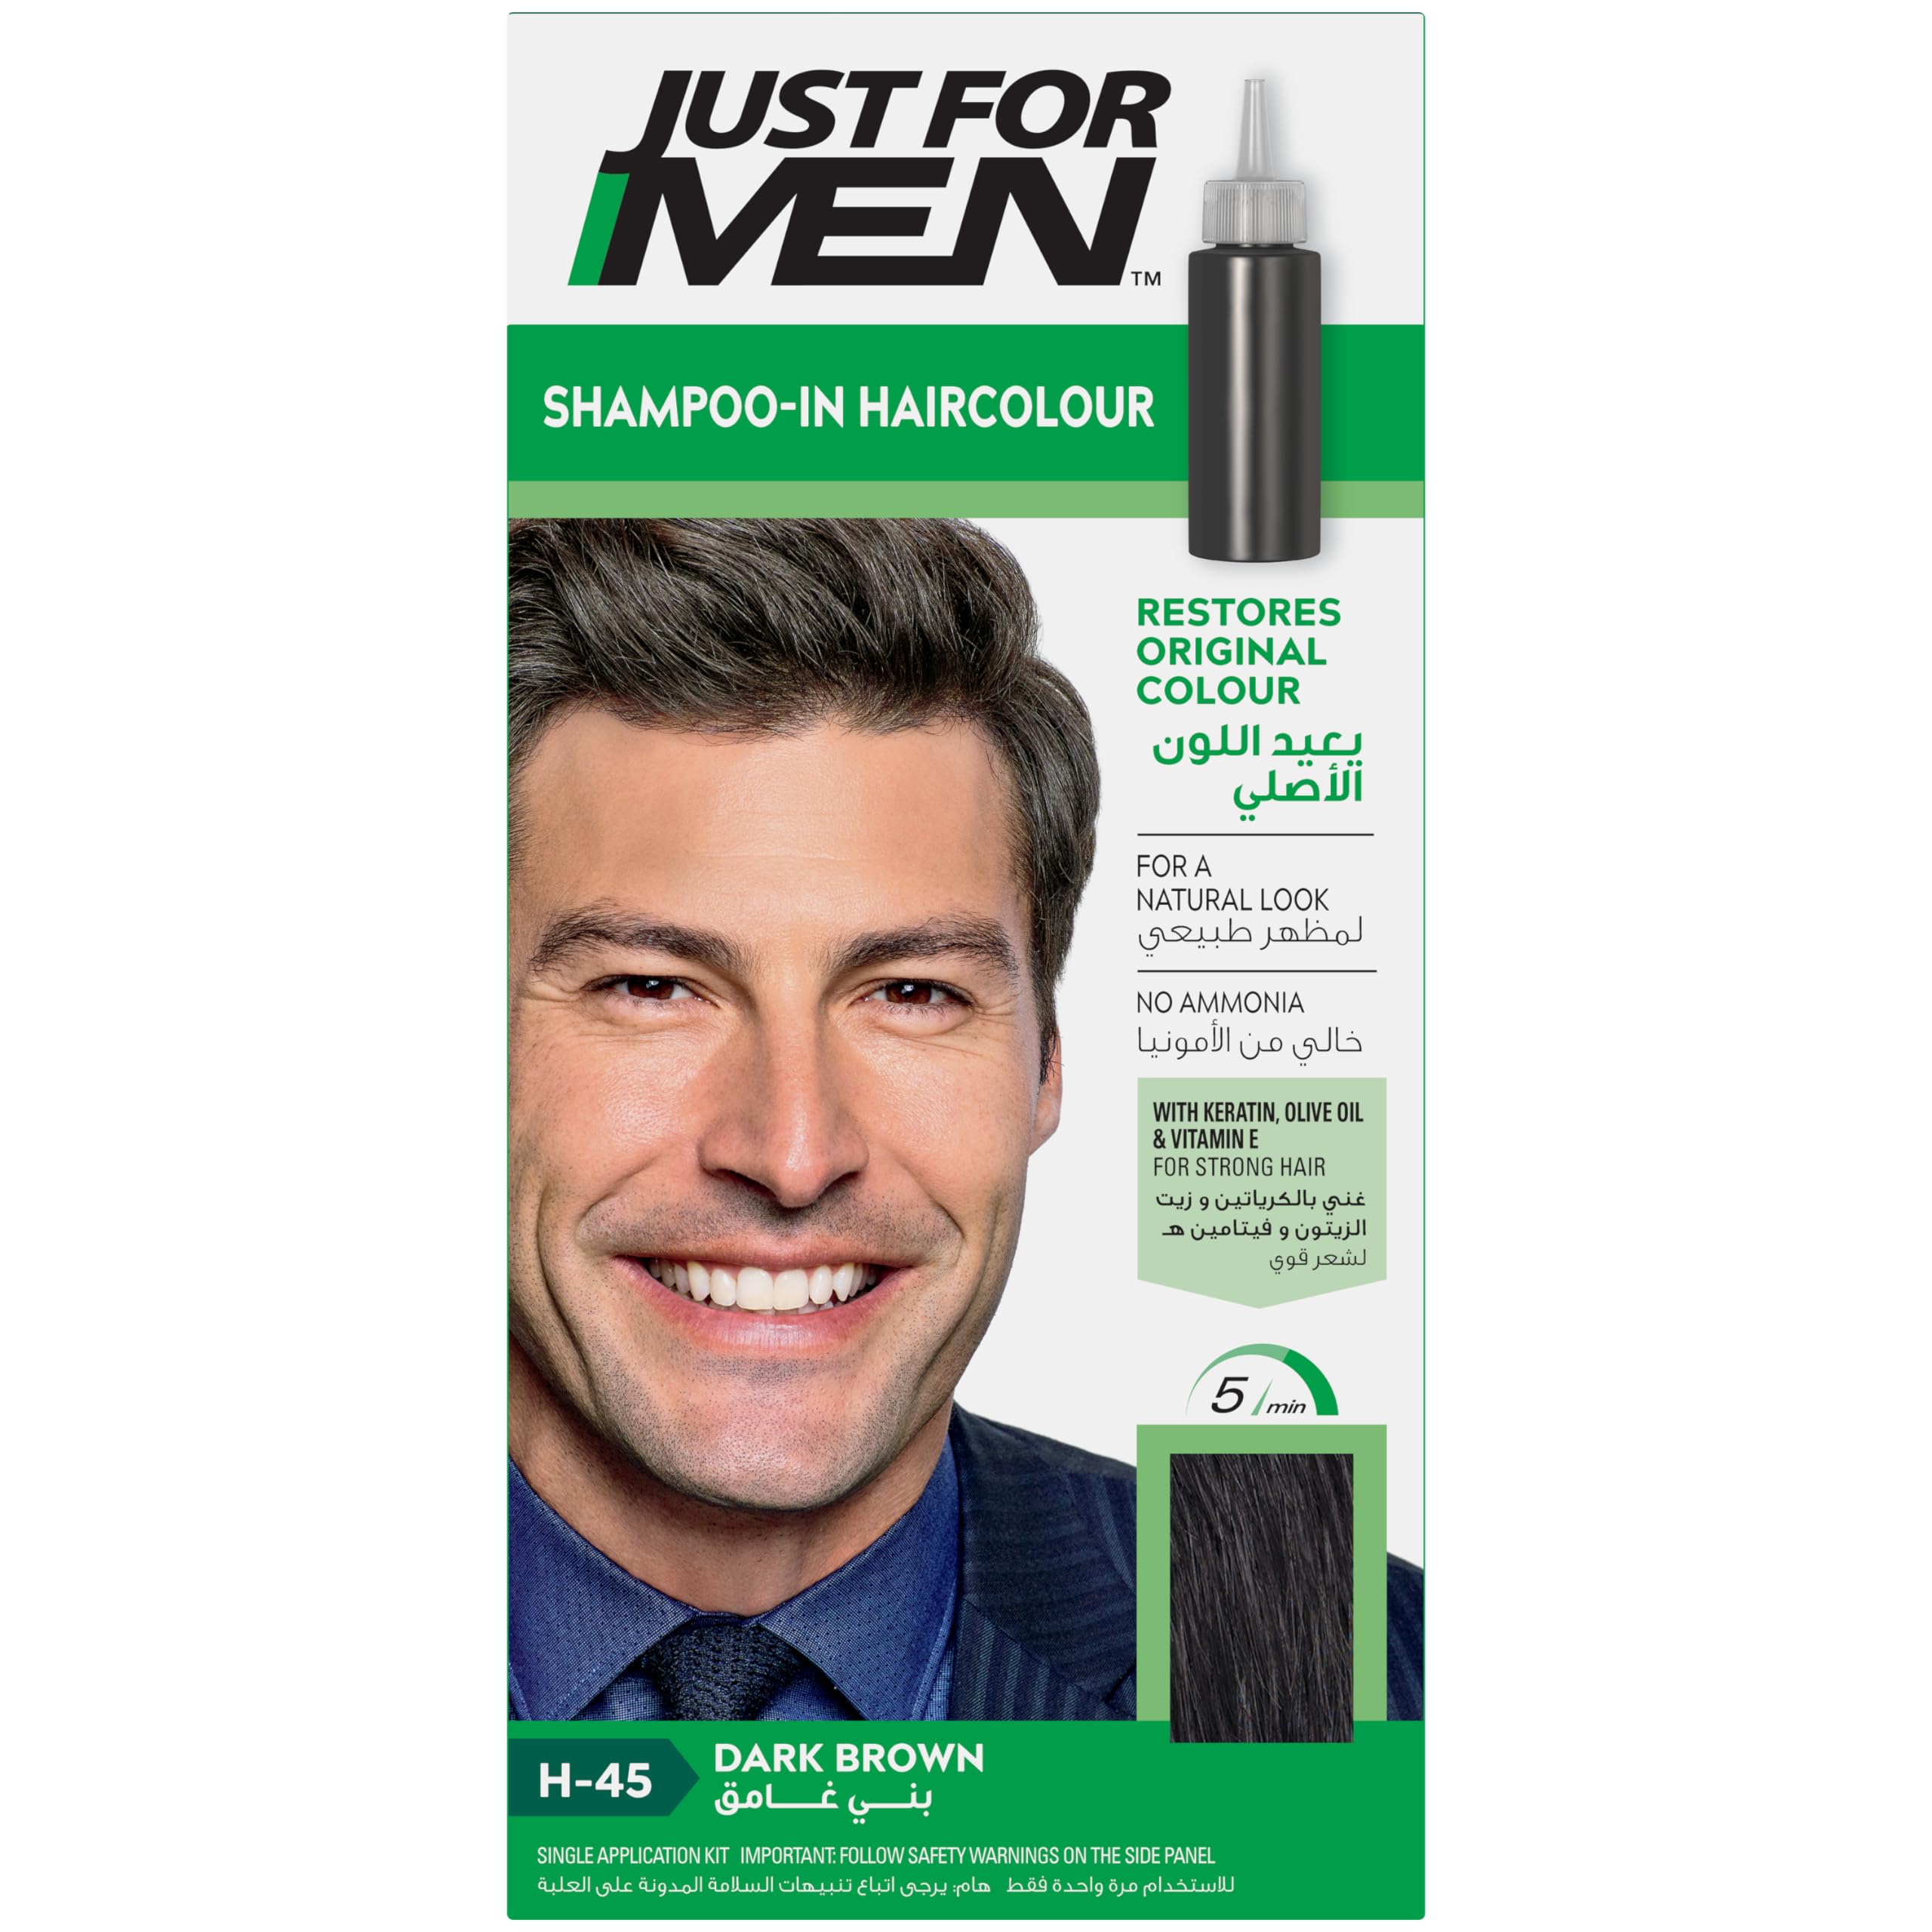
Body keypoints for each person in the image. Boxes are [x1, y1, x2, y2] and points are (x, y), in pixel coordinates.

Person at [506, 517, 1421, 1724]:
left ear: (1046, 1066)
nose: (794, 1153)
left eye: (913, 995)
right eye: (651, 988)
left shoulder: (1346, 1656)